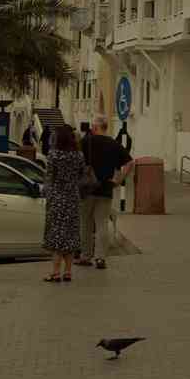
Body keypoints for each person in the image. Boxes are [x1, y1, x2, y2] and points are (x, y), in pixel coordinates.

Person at [77, 115, 133, 270]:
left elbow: (76, 160)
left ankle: (85, 256)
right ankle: (100, 258)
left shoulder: (85, 142)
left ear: (95, 128)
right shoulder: (114, 144)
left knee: (85, 224)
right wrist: (119, 179)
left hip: (87, 189)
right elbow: (130, 162)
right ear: (105, 127)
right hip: (106, 189)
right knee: (101, 224)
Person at [43, 124, 83, 282]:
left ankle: (55, 272)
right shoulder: (78, 155)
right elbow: (80, 174)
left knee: (57, 235)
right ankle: (68, 271)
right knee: (71, 235)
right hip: (73, 198)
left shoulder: (53, 155)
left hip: (57, 198)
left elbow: (49, 177)